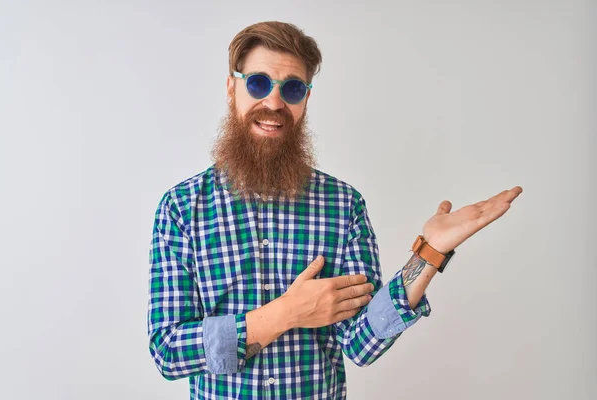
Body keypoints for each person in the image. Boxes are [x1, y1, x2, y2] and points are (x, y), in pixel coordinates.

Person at [147, 21, 523, 399]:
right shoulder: (180, 209)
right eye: (258, 83)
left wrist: (430, 253)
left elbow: (361, 343)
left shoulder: (344, 206)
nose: (275, 103)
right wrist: (284, 314)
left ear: (305, 100)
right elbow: (168, 351)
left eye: (292, 89)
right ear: (233, 88)